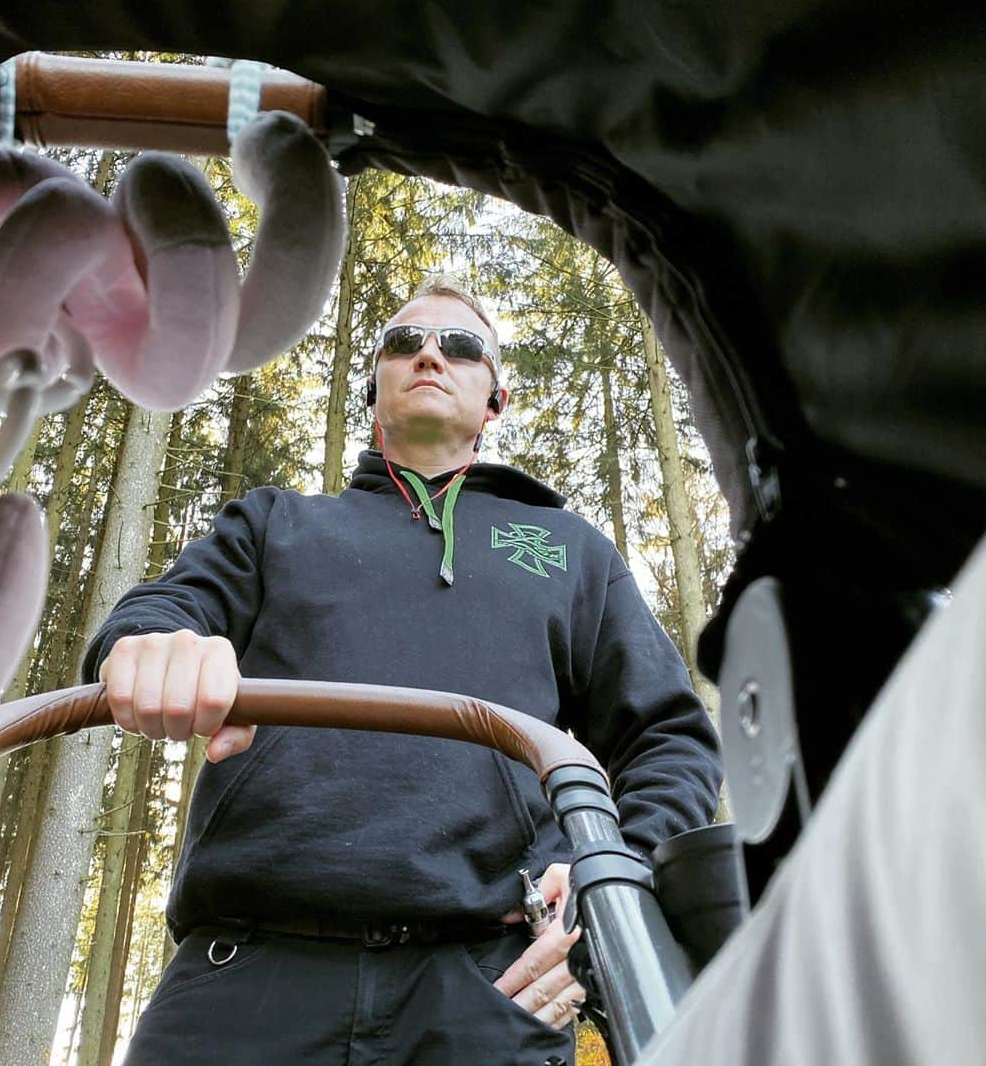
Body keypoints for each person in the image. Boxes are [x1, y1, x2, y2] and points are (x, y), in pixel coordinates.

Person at [83, 274, 722, 1065]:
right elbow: (161, 610)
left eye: (460, 346)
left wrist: (611, 880)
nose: (429, 353)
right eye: (402, 342)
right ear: (375, 386)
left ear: (495, 399)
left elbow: (668, 737)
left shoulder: (570, 549)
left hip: (494, 986)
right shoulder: (276, 523)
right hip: (242, 974)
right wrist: (151, 645)